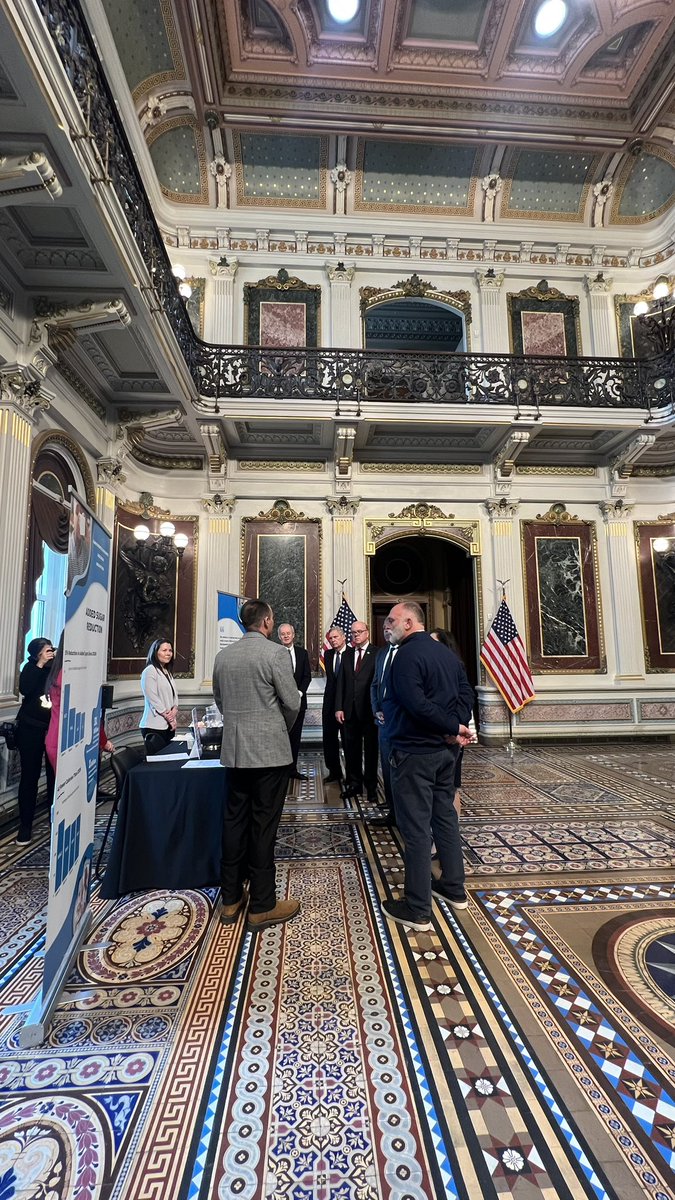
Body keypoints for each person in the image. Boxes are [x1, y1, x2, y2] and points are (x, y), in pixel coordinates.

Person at [382, 601, 473, 933]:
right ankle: (453, 887)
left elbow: (415, 704)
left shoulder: (406, 655)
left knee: (416, 829)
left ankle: (418, 908)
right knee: (445, 819)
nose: (387, 625)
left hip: (414, 754)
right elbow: (466, 695)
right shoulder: (446, 654)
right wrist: (455, 727)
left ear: (409, 622)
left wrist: (451, 727)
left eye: (392, 620)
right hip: (445, 752)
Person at [213, 598, 300, 931]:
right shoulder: (275, 653)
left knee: (233, 823)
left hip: (234, 752)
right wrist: (277, 728)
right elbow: (292, 703)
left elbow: (220, 701)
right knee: (264, 826)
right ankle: (262, 905)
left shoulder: (223, 656)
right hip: (269, 754)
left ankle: (231, 899)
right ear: (266, 622)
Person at [45, 635, 114, 772]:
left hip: (60, 739)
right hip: (67, 743)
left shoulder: (59, 670)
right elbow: (88, 712)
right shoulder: (71, 675)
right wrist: (103, 740)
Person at [15, 637, 56, 844]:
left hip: (52, 729)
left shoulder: (55, 669)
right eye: (46, 650)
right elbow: (26, 689)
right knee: (29, 777)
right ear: (37, 653)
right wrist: (39, 664)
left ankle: (54, 820)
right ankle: (25, 826)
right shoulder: (30, 668)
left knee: (54, 777)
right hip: (30, 729)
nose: (50, 652)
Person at [430, 628, 475, 817]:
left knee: (451, 786)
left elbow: (464, 701)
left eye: (433, 643)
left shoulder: (455, 666)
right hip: (436, 737)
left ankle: (451, 831)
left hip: (455, 737)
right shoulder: (431, 668)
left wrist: (454, 731)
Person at [335, 619, 378, 801]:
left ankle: (371, 787)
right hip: (349, 711)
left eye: (359, 631)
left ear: (367, 632)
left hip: (369, 711)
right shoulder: (347, 654)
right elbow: (341, 683)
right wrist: (339, 707)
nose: (356, 635)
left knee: (370, 751)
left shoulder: (377, 653)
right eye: (353, 632)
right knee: (351, 749)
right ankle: (354, 784)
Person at [370, 626, 397, 828]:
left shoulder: (407, 652)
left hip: (401, 723)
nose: (387, 630)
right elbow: (375, 685)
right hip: (382, 722)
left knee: (401, 770)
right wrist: (376, 709)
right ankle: (393, 811)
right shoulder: (382, 653)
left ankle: (403, 812)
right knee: (386, 768)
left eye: (391, 625)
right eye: (385, 627)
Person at [278, 623, 311, 780]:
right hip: (279, 705)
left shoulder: (302, 653)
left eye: (288, 633)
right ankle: (280, 771)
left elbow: (307, 677)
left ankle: (292, 770)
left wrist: (297, 694)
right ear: (279, 637)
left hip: (299, 704)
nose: (285, 636)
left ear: (293, 635)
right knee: (280, 739)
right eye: (282, 634)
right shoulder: (274, 653)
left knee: (295, 738)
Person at [140, 639, 178, 755]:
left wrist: (175, 709)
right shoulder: (150, 671)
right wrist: (169, 717)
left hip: (168, 725)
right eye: (164, 650)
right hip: (153, 725)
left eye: (170, 650)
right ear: (156, 652)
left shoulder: (167, 671)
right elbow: (152, 697)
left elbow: (174, 695)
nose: (168, 653)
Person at [322, 625, 346, 785]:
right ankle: (334, 771)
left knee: (348, 740)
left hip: (346, 706)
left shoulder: (351, 654)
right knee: (329, 740)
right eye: (331, 638)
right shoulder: (328, 655)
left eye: (336, 637)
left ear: (344, 637)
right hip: (329, 704)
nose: (333, 640)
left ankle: (352, 774)